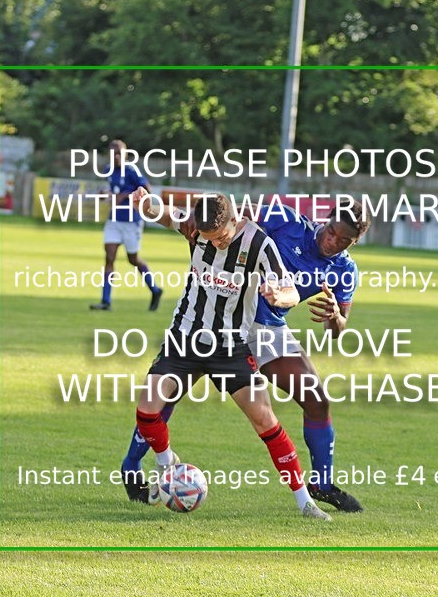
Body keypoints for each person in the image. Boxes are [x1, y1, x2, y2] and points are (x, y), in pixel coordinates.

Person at [121, 198, 370, 513]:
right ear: (327, 218)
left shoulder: (345, 269)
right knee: (167, 392)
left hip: (268, 327)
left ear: (354, 243)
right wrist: (198, 223)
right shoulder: (287, 220)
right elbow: (232, 212)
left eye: (344, 240)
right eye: (331, 231)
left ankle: (321, 485)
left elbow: (339, 327)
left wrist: (335, 316)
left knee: (316, 400)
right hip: (223, 319)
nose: (333, 241)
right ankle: (131, 465)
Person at [89, 140, 163, 311]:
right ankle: (105, 301)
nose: (115, 156)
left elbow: (148, 193)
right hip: (114, 220)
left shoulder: (132, 171)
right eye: (113, 153)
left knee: (133, 260)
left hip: (132, 221)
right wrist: (105, 195)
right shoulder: (108, 170)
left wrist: (126, 196)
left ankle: (155, 289)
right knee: (109, 257)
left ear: (125, 154)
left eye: (119, 153)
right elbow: (113, 192)